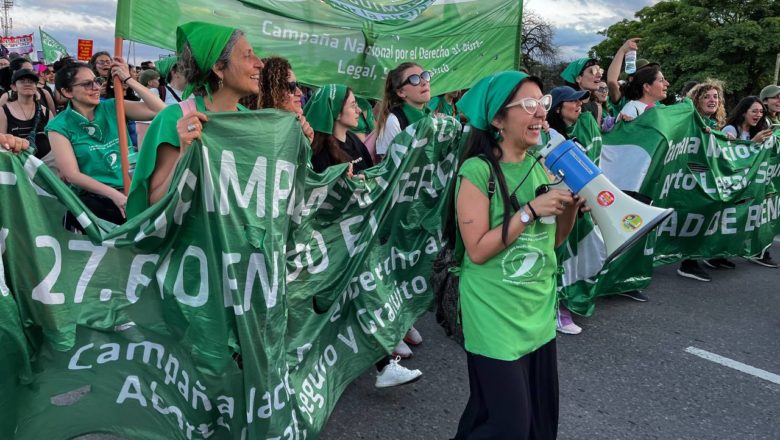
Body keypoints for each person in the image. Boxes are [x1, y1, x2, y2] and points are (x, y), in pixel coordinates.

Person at [453, 70, 583, 439]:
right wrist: (530, 210)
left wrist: (570, 207)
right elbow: (477, 250)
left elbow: (553, 242)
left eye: (543, 103)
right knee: (509, 425)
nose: (542, 112)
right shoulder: (476, 171)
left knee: (538, 424)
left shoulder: (543, 164)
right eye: (528, 105)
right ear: (497, 119)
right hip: (493, 316)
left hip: (538, 313)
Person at [126, 22, 264, 218]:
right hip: (193, 245)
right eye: (248, 55)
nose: (260, 63)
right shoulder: (175, 118)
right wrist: (185, 155)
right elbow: (154, 202)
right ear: (218, 67)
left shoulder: (252, 120)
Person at [46, 58, 165, 231]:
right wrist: (115, 196)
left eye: (97, 81)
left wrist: (128, 79)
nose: (96, 87)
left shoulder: (111, 106)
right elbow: (71, 174)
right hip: (97, 199)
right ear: (67, 91)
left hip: (134, 188)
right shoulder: (59, 126)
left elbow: (160, 111)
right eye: (87, 84)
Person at [675, 80, 732, 281]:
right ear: (697, 100)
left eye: (715, 97)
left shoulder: (715, 125)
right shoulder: (690, 120)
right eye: (706, 96)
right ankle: (688, 262)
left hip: (705, 178)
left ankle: (702, 256)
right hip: (687, 179)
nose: (712, 100)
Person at [303, 84, 374, 174]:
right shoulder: (320, 156)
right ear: (337, 113)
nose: (359, 110)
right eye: (353, 106)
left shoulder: (353, 139)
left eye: (356, 104)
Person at [375, 62, 432, 159]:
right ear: (401, 92)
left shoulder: (429, 115)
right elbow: (389, 169)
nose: (424, 82)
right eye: (414, 79)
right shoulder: (393, 122)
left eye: (424, 76)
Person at [255, 56, 314, 143]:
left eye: (298, 85)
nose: (300, 93)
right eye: (292, 86)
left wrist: (304, 145)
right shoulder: (255, 132)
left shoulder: (296, 130)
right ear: (272, 92)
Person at [0, 69, 52, 165]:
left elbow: (54, 141)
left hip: (45, 166)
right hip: (17, 164)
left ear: (36, 86)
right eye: (22, 81)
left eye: (31, 82)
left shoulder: (45, 111)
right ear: (14, 87)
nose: (27, 84)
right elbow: (2, 142)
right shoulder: (3, 111)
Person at [560, 57, 603, 122]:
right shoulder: (569, 108)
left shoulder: (597, 107)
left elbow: (597, 132)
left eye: (599, 71)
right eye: (593, 71)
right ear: (579, 79)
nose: (600, 75)